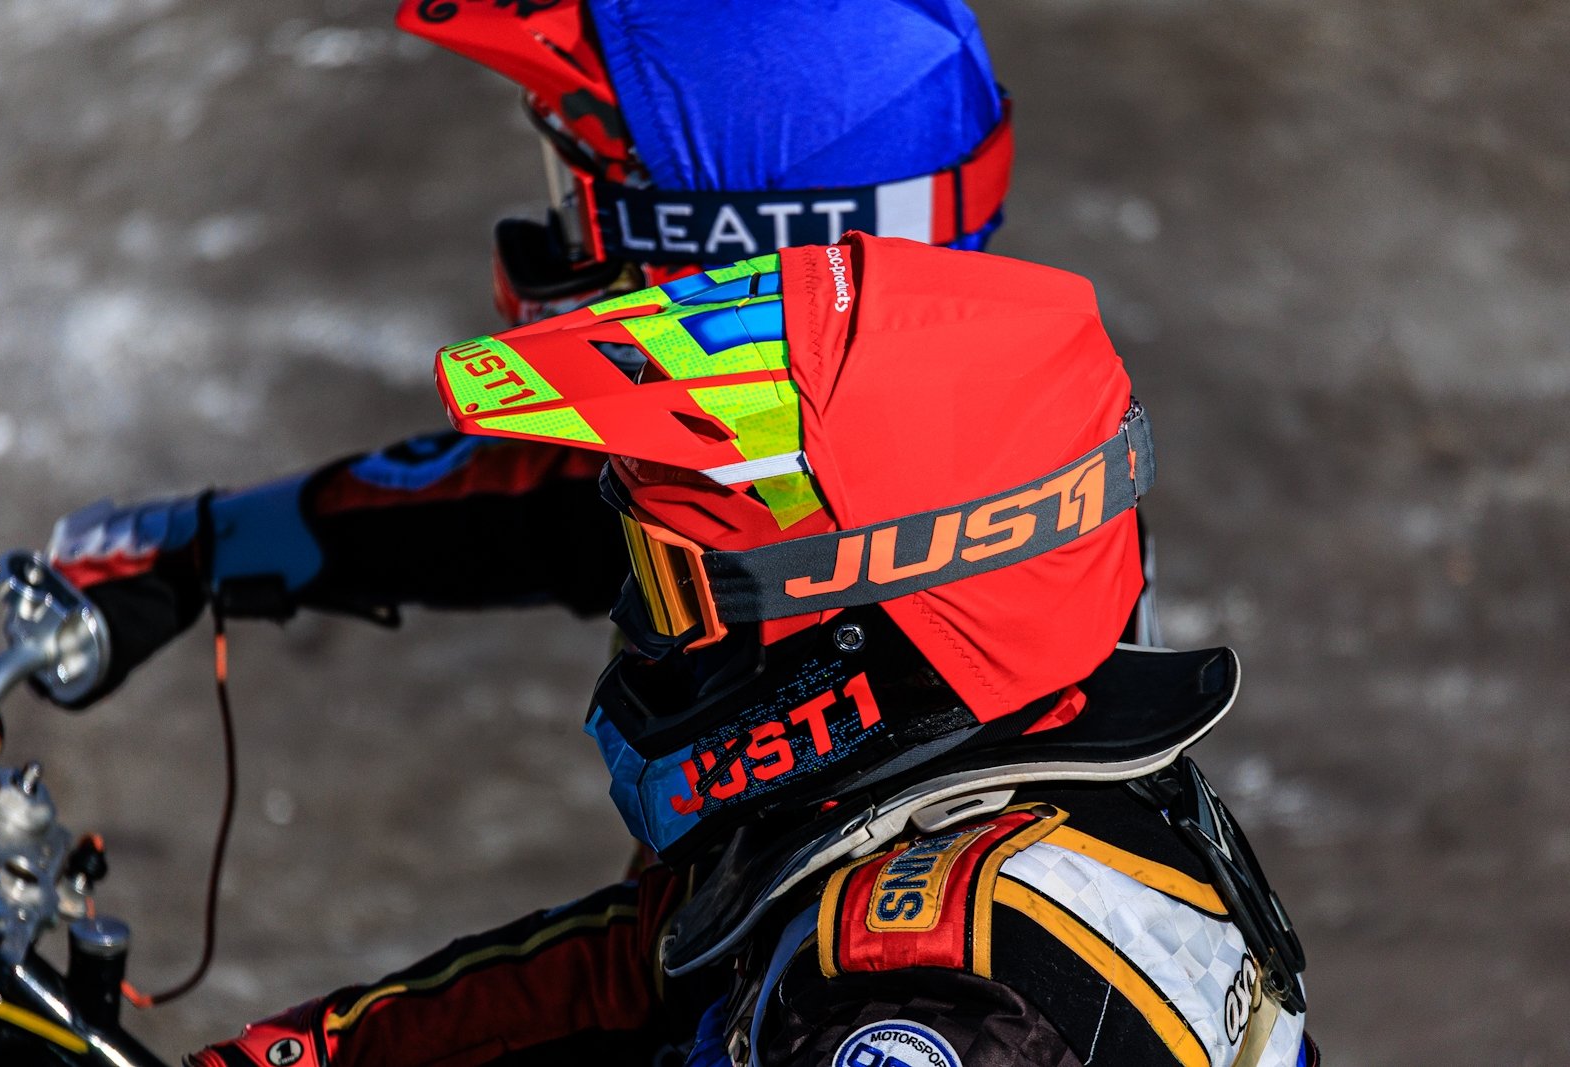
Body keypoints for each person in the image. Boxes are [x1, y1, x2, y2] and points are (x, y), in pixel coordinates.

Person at [188, 234, 1317, 1067]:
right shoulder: (1020, 792)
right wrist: (304, 1052)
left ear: (862, 630)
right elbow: (658, 959)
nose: (646, 634)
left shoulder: (939, 1008)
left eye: (679, 592)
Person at [41, 0, 1017, 698]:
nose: (561, 237)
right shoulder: (802, 478)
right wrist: (199, 543)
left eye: (590, 195)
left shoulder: (906, 653)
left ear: (742, 243)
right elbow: (522, 505)